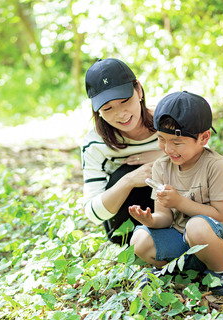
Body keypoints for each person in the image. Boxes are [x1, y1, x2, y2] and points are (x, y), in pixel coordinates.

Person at [128, 91, 223, 295]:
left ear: (204, 137)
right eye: (161, 139)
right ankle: (175, 270)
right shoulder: (162, 167)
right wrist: (150, 220)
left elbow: (222, 216)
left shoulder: (216, 166)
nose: (168, 148)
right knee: (139, 239)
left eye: (177, 142)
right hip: (180, 239)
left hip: (217, 241)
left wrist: (179, 201)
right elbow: (165, 216)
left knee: (197, 226)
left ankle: (220, 272)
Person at [80, 58, 163, 245]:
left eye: (125, 101)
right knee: (123, 174)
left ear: (139, 90)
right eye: (107, 108)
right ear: (97, 110)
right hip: (128, 228)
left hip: (179, 210)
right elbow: (94, 213)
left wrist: (164, 157)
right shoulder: (95, 143)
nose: (121, 114)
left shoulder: (168, 120)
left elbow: (206, 161)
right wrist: (130, 179)